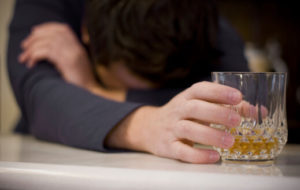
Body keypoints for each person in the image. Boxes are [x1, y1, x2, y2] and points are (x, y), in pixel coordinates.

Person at [8, 0, 248, 164]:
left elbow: (241, 98)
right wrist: (147, 126)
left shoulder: (195, 13)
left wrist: (94, 89)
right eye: (119, 85)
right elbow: (39, 99)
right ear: (86, 30)